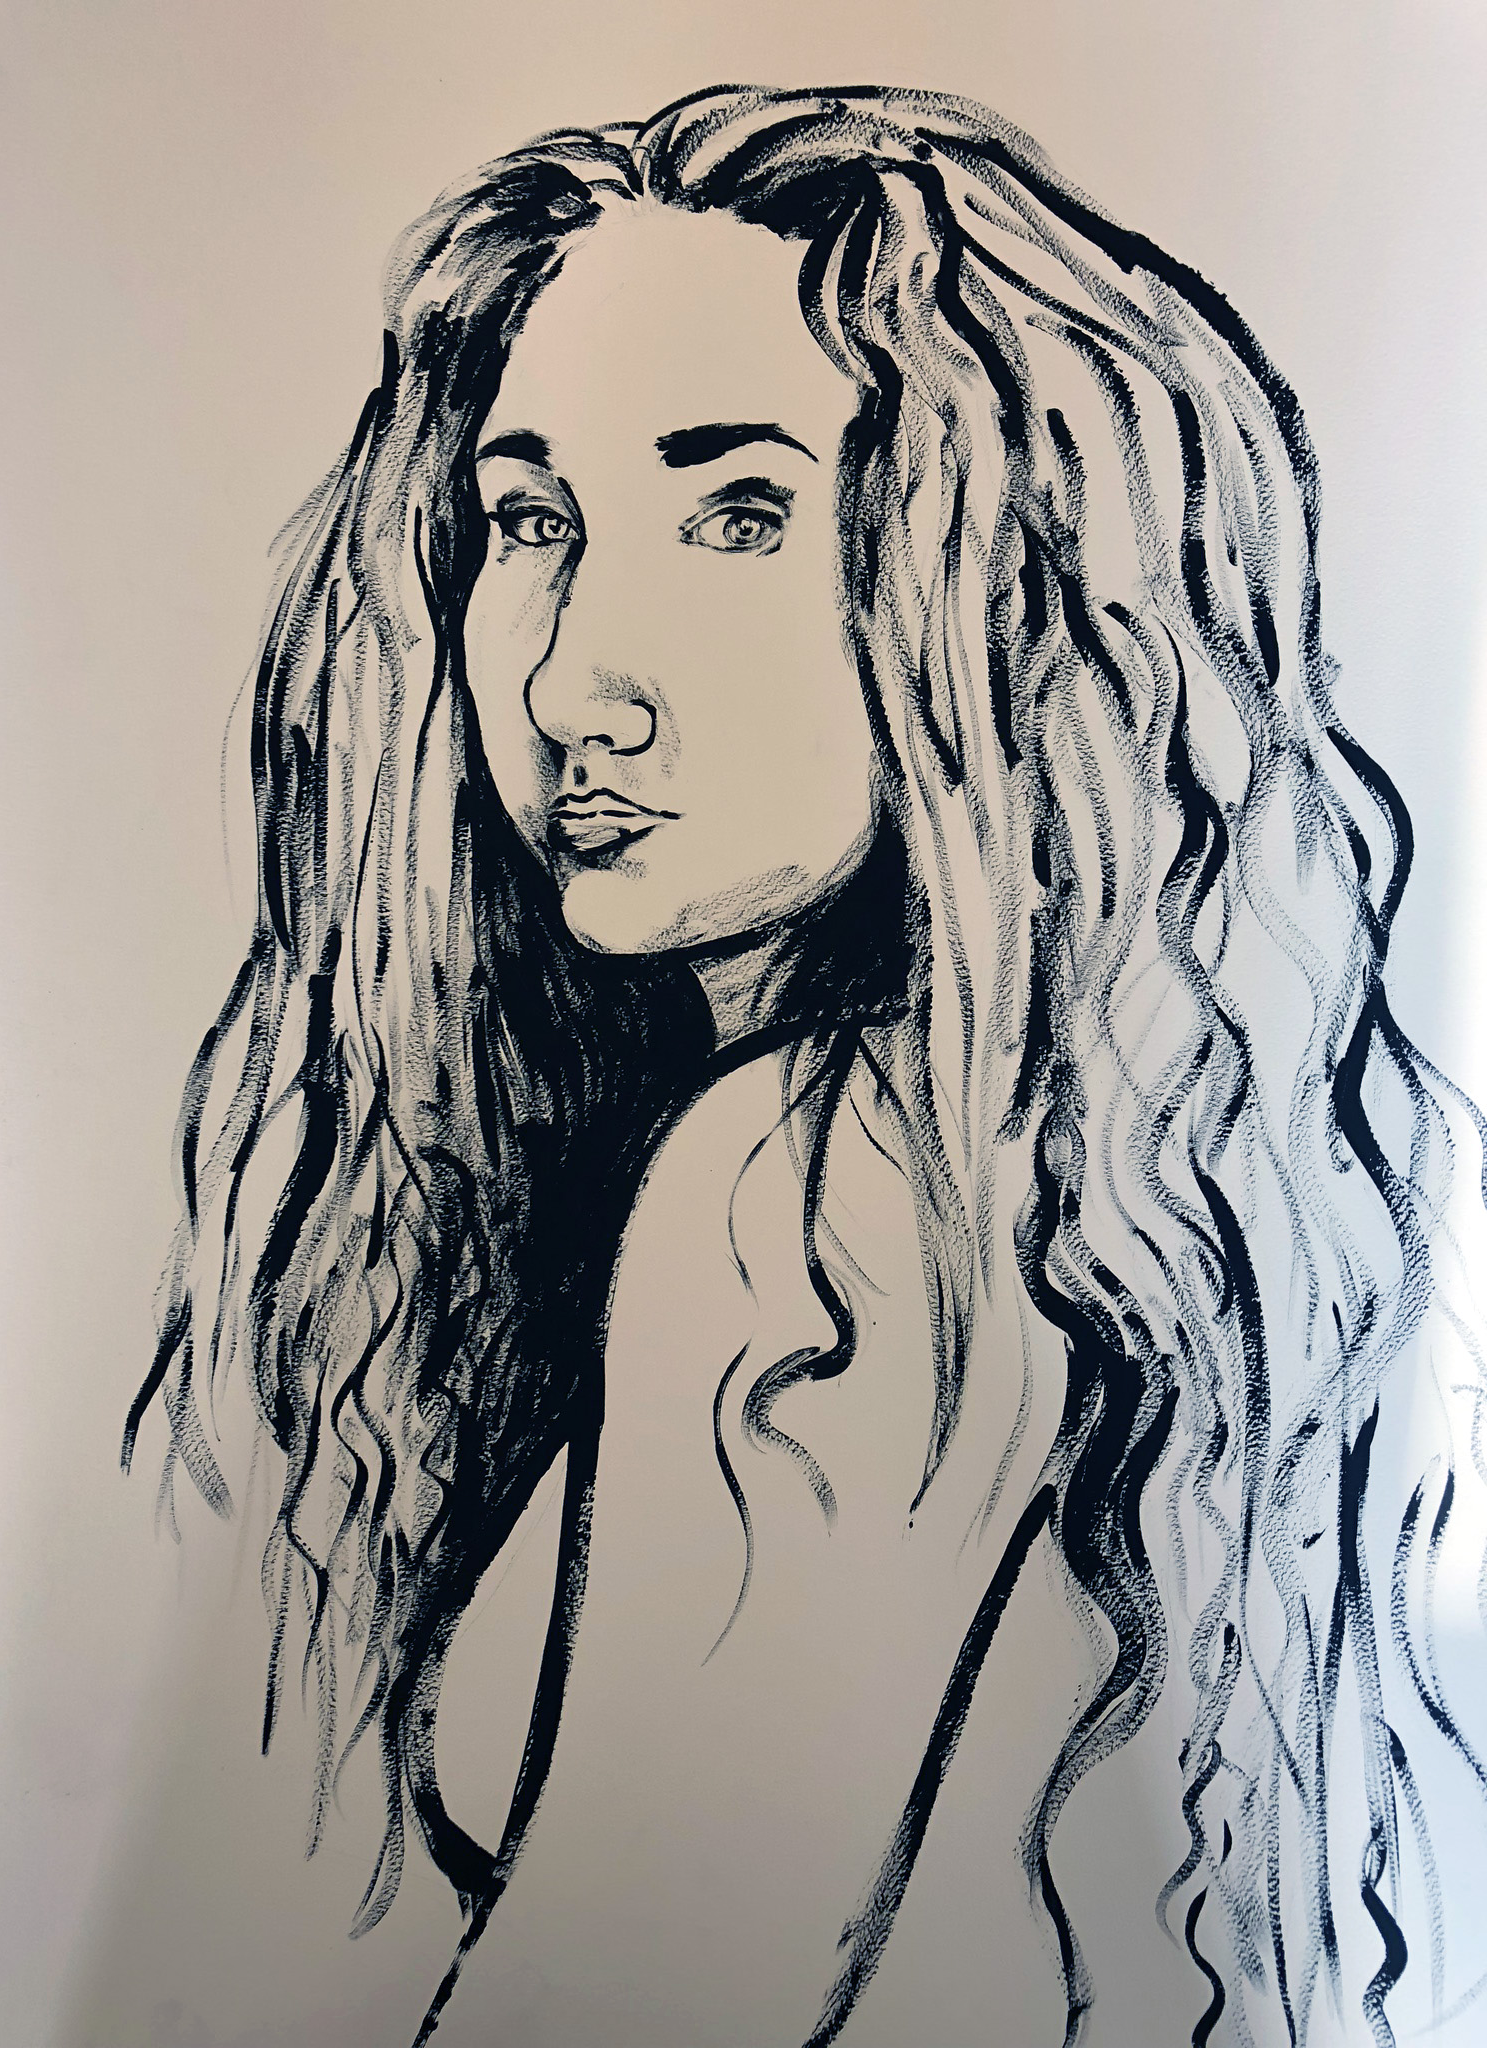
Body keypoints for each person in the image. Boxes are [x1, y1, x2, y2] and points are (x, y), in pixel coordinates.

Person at [127, 84, 1487, 2047]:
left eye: (742, 513)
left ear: (990, 581)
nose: (572, 683)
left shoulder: (817, 1188)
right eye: (533, 522)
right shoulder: (1072, 1173)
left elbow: (625, 1998)